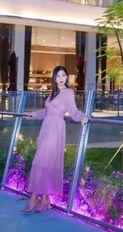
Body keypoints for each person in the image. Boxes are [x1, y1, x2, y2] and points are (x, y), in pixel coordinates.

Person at [23, 65, 88, 212]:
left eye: (63, 75)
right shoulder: (53, 93)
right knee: (45, 162)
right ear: (54, 78)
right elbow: (47, 111)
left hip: (56, 130)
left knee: (41, 161)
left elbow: (73, 111)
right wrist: (34, 114)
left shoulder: (68, 93)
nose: (61, 78)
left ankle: (34, 198)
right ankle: (45, 198)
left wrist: (82, 117)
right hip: (46, 129)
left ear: (67, 77)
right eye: (58, 76)